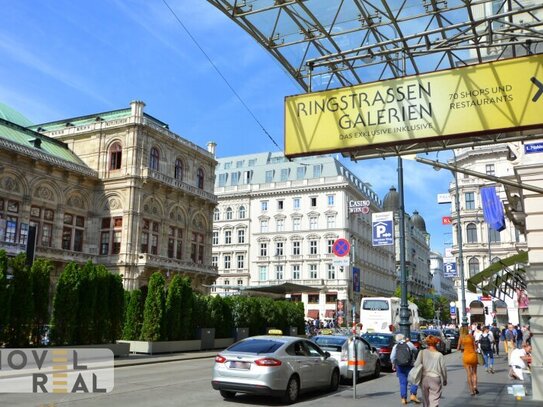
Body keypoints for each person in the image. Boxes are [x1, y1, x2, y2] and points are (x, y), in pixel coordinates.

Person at [414, 335, 447, 407]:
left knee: (425, 400)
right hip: (435, 378)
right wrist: (444, 379)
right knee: (434, 400)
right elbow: (443, 368)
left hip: (424, 378)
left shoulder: (422, 352)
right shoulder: (439, 355)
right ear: (436, 343)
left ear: (427, 343)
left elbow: (416, 364)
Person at [391, 333, 421, 405]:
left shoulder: (395, 346)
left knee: (403, 383)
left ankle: (403, 399)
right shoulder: (409, 344)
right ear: (404, 338)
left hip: (400, 366)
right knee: (414, 380)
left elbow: (392, 357)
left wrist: (393, 364)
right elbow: (416, 351)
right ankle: (413, 394)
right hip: (410, 365)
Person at [458, 325, 479, 396]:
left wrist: (463, 348)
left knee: (469, 374)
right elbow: (475, 347)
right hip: (473, 355)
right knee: (474, 373)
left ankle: (471, 390)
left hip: (466, 356)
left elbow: (458, 348)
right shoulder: (471, 336)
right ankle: (475, 386)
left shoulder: (461, 338)